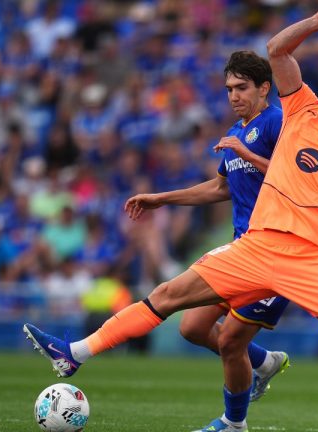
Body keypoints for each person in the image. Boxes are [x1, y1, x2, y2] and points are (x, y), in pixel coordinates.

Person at [23, 3, 318, 431]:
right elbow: (277, 50)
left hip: (309, 259)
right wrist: (317, 23)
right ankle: (74, 353)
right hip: (257, 245)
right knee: (171, 299)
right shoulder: (303, 107)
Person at [124, 50, 291, 430]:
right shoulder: (235, 133)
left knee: (230, 342)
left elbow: (294, 176)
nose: (233, 95)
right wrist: (160, 199)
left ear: (265, 88)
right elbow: (219, 188)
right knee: (192, 329)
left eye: (242, 87)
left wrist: (245, 151)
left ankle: (234, 423)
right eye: (229, 88)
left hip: (276, 251)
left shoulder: (276, 122)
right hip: (240, 248)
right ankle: (264, 362)